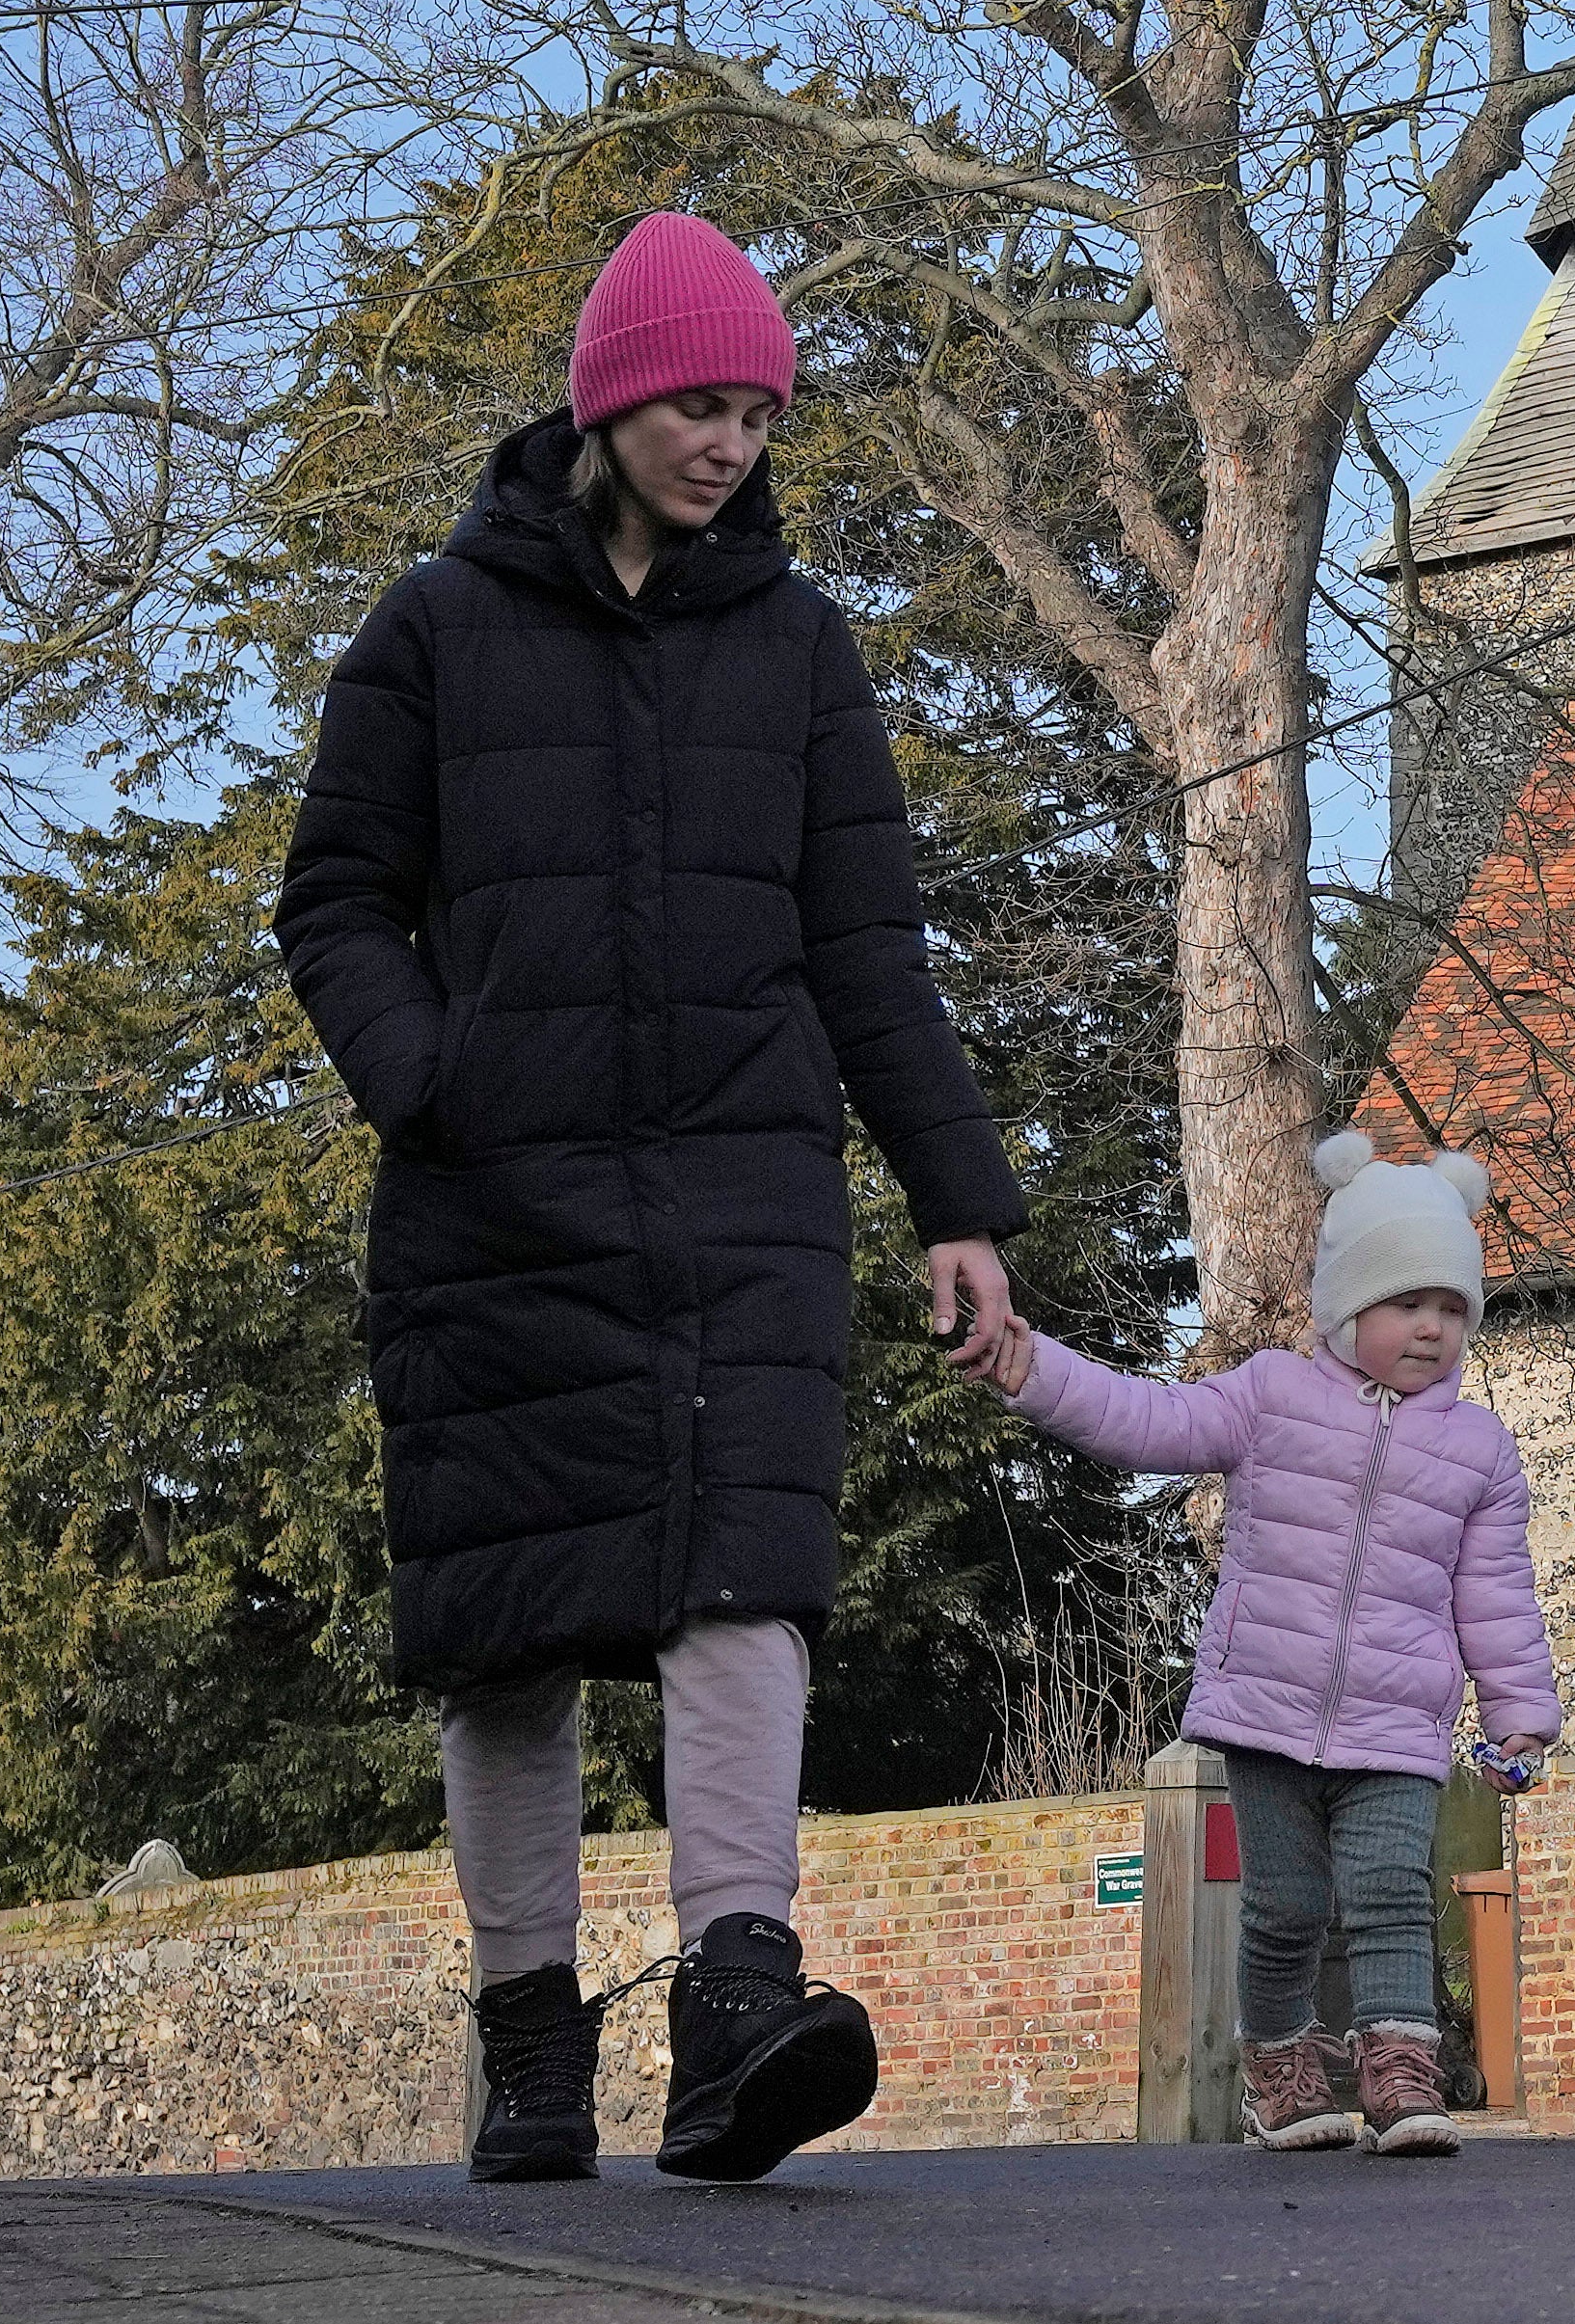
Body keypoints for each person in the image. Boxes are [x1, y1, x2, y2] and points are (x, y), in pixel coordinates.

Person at [276, 210, 1025, 2185]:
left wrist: (961, 1206)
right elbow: (335, 898)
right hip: (491, 1199)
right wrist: (431, 1079)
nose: (732, 444)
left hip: (742, 1195)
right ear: (609, 402)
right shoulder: (432, 630)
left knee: (744, 1583)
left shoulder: (797, 647)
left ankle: (736, 2007)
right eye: (702, 403)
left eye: (762, 414)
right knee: (507, 1631)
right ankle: (532, 2046)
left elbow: (871, 945)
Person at [977, 1129, 1561, 2155]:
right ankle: (1283, 2076)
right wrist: (1037, 1373)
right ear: (1346, 1303)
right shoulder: (1271, 1397)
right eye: (1405, 1302)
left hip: (1396, 1721)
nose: (1429, 1328)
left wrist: (1519, 1716)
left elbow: (1497, 1594)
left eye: (1450, 1309)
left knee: (1389, 1893)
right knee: (1286, 1908)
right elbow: (1143, 1422)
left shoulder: (1478, 1449)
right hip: (1265, 1709)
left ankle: (1401, 2077)